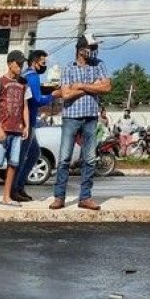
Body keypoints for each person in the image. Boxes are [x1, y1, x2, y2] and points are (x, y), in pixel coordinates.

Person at [51, 34, 111, 210]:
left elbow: (107, 87)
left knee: (90, 159)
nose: (93, 51)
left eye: (93, 48)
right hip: (71, 116)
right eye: (90, 48)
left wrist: (81, 86)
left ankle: (85, 197)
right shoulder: (68, 68)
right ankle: (59, 197)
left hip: (91, 117)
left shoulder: (99, 64)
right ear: (80, 49)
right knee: (64, 158)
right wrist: (93, 86)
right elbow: (66, 94)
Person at [11, 49, 61, 202]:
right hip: (27, 123)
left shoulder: (25, 75)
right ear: (35, 62)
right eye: (43, 62)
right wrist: (53, 95)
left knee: (33, 154)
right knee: (22, 156)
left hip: (26, 122)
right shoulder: (32, 77)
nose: (44, 66)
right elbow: (37, 100)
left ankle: (19, 186)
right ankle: (15, 188)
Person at [0, 50, 31, 208]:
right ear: (10, 63)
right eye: (18, 63)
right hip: (2, 129)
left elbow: (25, 106)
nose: (20, 66)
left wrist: (27, 125)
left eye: (22, 64)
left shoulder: (24, 84)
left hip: (17, 130)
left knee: (13, 163)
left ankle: (6, 196)